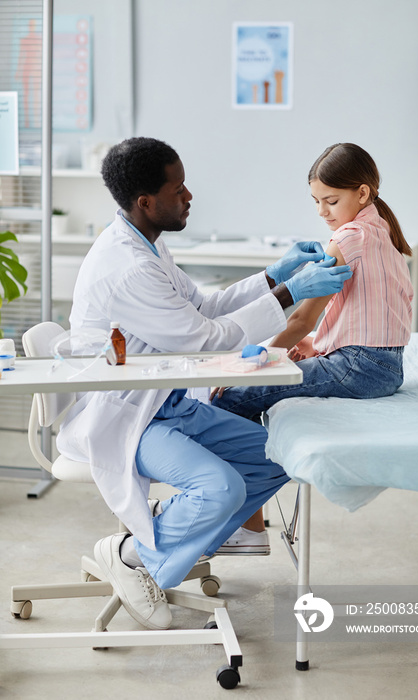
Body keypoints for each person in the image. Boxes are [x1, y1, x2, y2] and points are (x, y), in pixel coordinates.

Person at [56, 137, 352, 631]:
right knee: (222, 487)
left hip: (165, 402)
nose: (189, 195)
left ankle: (167, 535)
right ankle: (131, 555)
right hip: (129, 413)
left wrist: (272, 275)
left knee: (277, 454)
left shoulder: (148, 243)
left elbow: (203, 307)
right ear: (145, 201)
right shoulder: (127, 268)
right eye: (178, 188)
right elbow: (205, 338)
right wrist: (289, 294)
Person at [212, 142, 414, 425]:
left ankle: (259, 467)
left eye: (331, 201)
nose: (321, 211)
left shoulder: (347, 238)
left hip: (357, 368)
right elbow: (365, 317)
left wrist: (257, 367)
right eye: (316, 201)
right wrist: (319, 344)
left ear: (362, 193)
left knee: (230, 396)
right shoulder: (384, 231)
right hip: (389, 369)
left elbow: (301, 320)